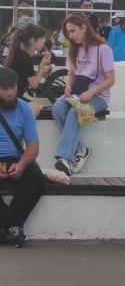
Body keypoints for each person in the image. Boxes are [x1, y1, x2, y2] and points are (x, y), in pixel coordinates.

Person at [51, 14, 115, 176]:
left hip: (99, 96)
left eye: (73, 31)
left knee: (75, 112)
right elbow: (71, 74)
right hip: (77, 93)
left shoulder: (103, 49)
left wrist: (91, 92)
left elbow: (111, 80)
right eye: (68, 33)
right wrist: (67, 86)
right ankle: (81, 149)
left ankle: (66, 157)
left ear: (84, 27)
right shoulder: (73, 49)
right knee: (57, 109)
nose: (71, 36)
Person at [0, 67, 45, 247]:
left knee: (35, 179)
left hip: (16, 157)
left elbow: (33, 146)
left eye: (12, 87)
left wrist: (21, 165)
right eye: (4, 88)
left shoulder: (25, 109)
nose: (10, 92)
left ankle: (6, 228)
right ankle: (12, 226)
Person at [6, 24, 53, 116]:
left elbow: (27, 75)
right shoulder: (25, 58)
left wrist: (42, 72)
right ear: (33, 41)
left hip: (10, 95)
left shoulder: (19, 54)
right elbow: (34, 84)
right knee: (35, 108)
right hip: (12, 97)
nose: (43, 42)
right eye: (42, 39)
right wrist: (42, 64)